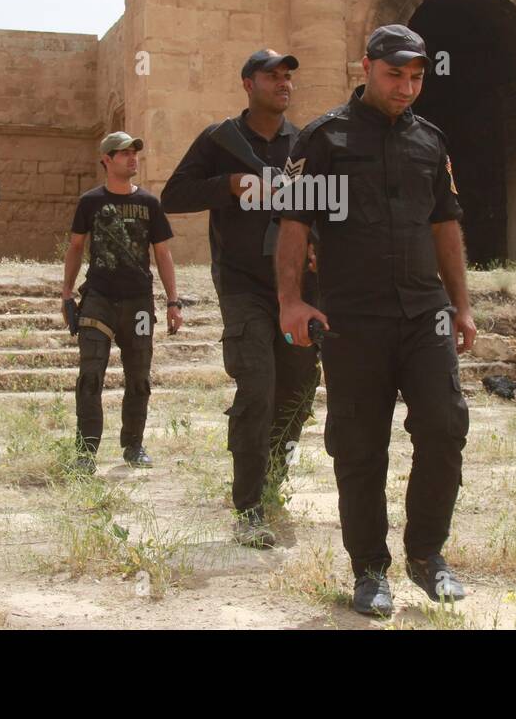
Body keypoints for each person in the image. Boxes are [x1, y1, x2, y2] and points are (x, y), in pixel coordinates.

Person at [274, 24, 477, 617]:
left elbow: (445, 227)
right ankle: (370, 570)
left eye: (416, 78)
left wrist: (461, 304)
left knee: (444, 425)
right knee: (360, 446)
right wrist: (291, 302)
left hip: (423, 313)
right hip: (352, 317)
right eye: (395, 75)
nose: (406, 88)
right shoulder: (323, 139)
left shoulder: (431, 143)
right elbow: (292, 225)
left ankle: (427, 556)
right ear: (365, 67)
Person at [162, 49, 321, 549]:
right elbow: (174, 196)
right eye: (272, 76)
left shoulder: (307, 143)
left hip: (297, 290)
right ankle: (250, 505)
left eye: (287, 76)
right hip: (242, 285)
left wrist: (320, 244)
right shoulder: (220, 140)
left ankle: (274, 478)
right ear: (247, 84)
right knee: (257, 387)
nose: (283, 83)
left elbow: (330, 202)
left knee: (297, 391)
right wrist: (229, 185)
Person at [61, 131, 182, 472]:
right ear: (107, 160)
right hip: (98, 298)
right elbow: (75, 248)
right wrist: (67, 293)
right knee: (90, 375)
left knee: (139, 377)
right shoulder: (90, 202)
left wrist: (174, 302)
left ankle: (134, 446)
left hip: (139, 302)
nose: (132, 158)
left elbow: (162, 253)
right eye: (124, 153)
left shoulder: (149, 203)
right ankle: (85, 453)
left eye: (134, 153)